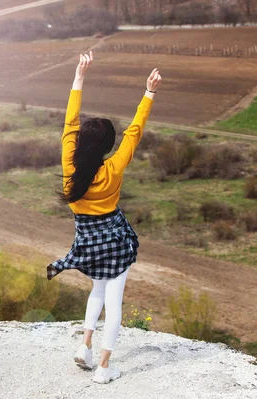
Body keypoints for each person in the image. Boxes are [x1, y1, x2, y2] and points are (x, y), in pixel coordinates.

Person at [47, 51, 162, 384]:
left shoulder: (70, 166)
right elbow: (135, 133)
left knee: (97, 290)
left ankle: (84, 348)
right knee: (114, 302)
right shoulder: (112, 169)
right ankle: (104, 368)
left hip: (87, 244)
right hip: (114, 243)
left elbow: (70, 120)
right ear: (107, 147)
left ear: (81, 141)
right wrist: (149, 92)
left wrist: (80, 76)